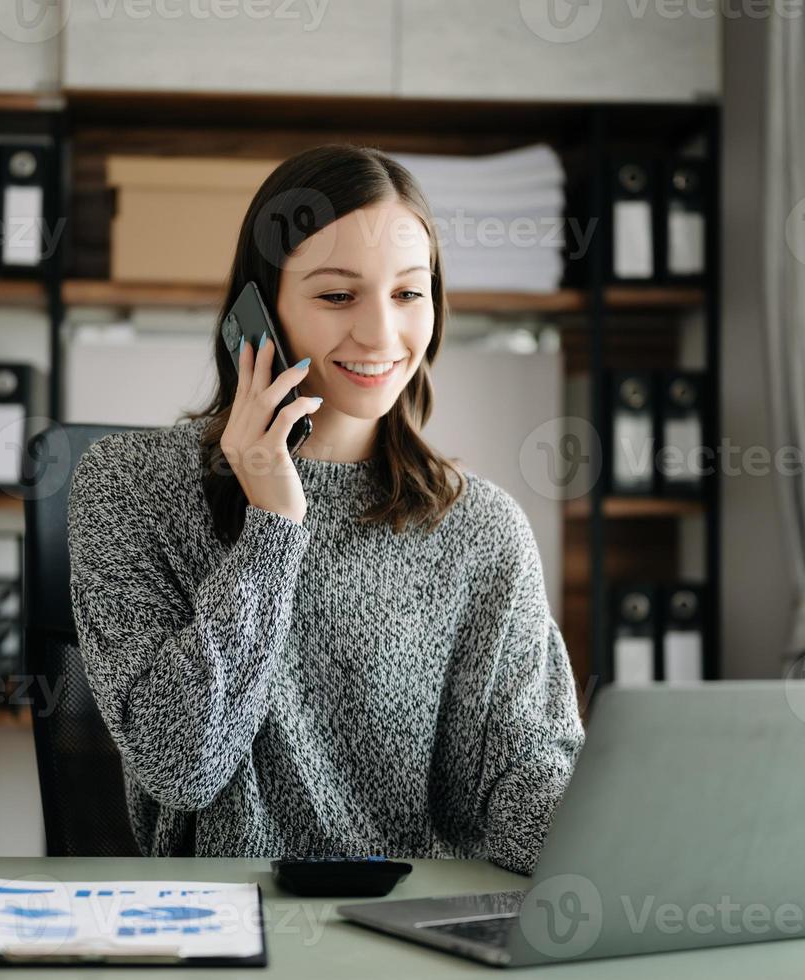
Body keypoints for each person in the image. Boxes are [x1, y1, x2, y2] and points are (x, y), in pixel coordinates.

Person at [67, 143, 585, 875]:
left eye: (408, 293)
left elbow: (522, 781)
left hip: (411, 935)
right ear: (259, 312)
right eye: (337, 296)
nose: (380, 334)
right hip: (220, 928)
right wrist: (272, 527)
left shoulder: (482, 530)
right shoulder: (129, 488)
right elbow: (183, 765)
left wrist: (642, 846)